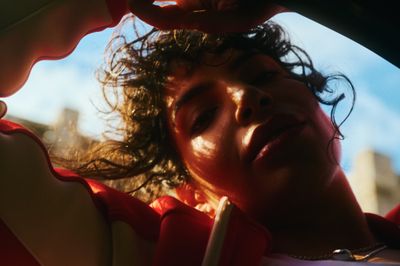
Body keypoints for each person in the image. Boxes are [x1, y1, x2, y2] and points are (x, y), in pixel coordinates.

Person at [0, 1, 399, 265]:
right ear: (191, 192)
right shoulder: (146, 253)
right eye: (204, 116)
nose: (248, 97)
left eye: (264, 76)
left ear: (325, 113)